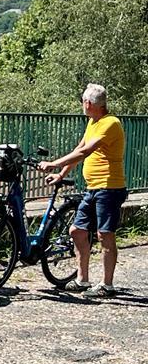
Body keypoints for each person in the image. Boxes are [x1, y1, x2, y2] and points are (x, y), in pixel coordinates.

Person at [38, 83, 127, 297]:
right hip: (93, 187)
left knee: (105, 234)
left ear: (88, 103)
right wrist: (61, 174)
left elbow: (86, 151)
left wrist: (54, 163)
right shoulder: (92, 123)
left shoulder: (110, 123)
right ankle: (83, 279)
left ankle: (107, 284)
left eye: (83, 103)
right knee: (77, 231)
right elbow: (79, 150)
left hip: (109, 187)